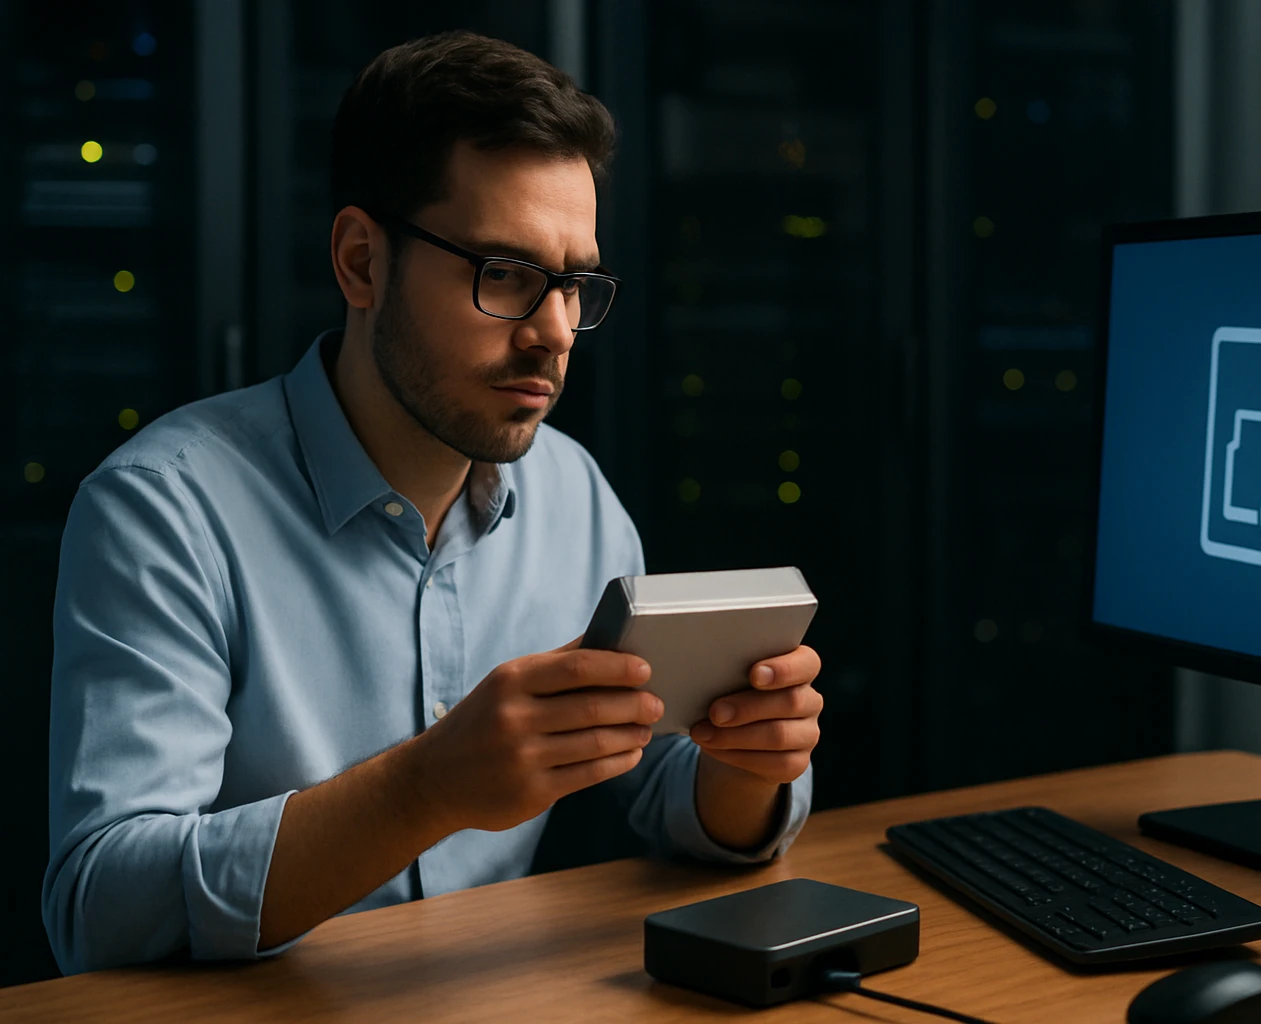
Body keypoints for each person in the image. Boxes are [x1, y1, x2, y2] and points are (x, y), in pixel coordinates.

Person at [42, 31, 822, 974]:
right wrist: (422, 789)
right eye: (507, 276)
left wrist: (745, 764)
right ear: (363, 262)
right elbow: (98, 907)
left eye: (575, 284)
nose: (555, 334)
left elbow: (663, 790)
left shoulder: (575, 494)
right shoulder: (161, 511)